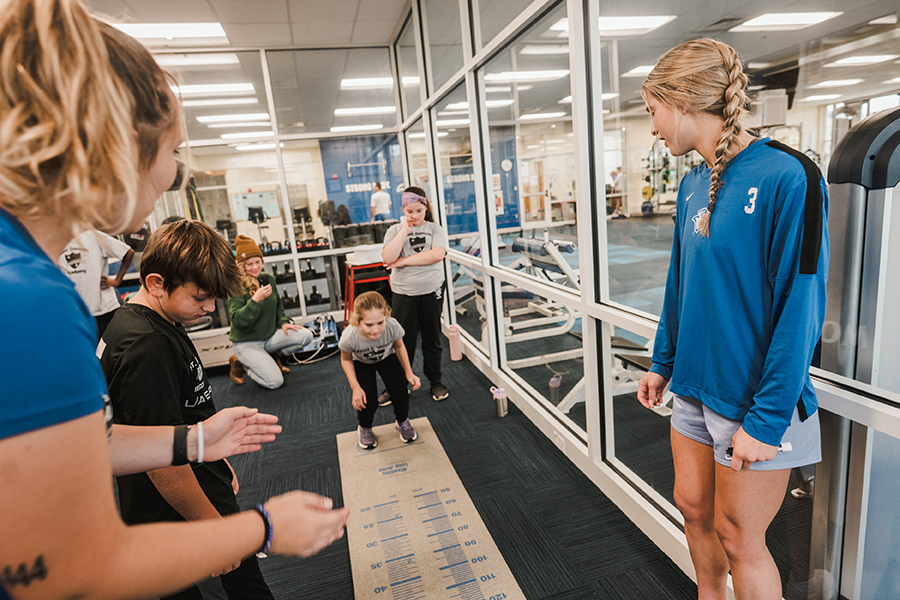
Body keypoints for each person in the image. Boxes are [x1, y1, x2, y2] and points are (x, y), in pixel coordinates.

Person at [0, 3, 350, 599]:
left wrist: (195, 441)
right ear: (112, 148)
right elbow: (71, 573)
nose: (174, 174)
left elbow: (84, 441)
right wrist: (261, 530)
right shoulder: (30, 303)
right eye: (172, 149)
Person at [635, 39, 828, 600]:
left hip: (754, 398)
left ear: (682, 100)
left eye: (652, 111)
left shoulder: (789, 176)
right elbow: (681, 284)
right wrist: (663, 362)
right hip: (695, 385)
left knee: (741, 538)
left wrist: (766, 420)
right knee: (693, 511)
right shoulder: (693, 182)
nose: (652, 128)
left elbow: (802, 304)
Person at [100, 220, 279, 600]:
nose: (210, 308)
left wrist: (217, 460)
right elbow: (161, 458)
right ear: (156, 284)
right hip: (172, 499)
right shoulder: (145, 347)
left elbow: (183, 410)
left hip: (198, 473)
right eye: (199, 298)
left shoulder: (159, 317)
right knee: (241, 584)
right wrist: (213, 528)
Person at [380, 187, 450, 403]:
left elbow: (437, 254)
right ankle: (399, 384)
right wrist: (404, 231)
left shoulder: (435, 229)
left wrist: (402, 261)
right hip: (404, 293)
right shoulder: (394, 231)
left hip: (431, 290)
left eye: (419, 211)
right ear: (403, 210)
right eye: (409, 211)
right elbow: (387, 256)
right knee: (403, 340)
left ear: (425, 208)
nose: (414, 216)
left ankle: (435, 381)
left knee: (432, 338)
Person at [228, 235, 313, 389]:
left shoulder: (268, 279)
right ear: (241, 265)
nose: (255, 267)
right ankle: (244, 365)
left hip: (269, 338)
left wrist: (283, 323)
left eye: (257, 262)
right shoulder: (236, 286)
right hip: (246, 344)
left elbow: (278, 306)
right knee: (275, 382)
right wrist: (255, 300)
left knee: (306, 335)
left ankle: (273, 357)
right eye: (249, 264)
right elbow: (237, 320)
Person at [339, 291, 421, 449]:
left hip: (387, 358)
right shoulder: (349, 336)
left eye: (380, 323)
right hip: (362, 362)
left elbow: (399, 346)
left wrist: (408, 372)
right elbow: (346, 359)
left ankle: (402, 421)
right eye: (368, 325)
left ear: (386, 317)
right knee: (367, 401)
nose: (375, 330)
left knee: (400, 393)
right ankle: (365, 427)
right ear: (358, 321)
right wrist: (355, 387)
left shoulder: (392, 326)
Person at [58, 230, 135, 341]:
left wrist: (117, 280)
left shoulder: (94, 236)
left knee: (107, 350)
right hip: (76, 310)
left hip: (104, 308)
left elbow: (128, 252)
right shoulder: (57, 240)